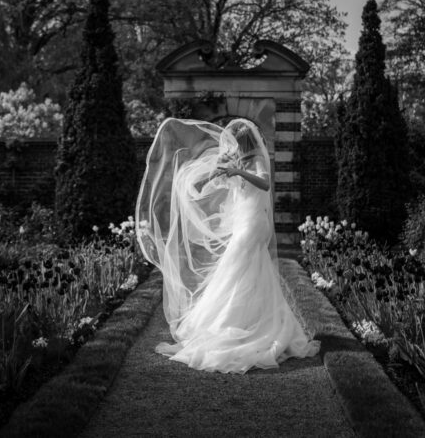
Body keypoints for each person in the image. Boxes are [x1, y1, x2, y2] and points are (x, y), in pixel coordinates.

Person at [135, 117, 320, 374]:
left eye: (235, 143)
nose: (230, 147)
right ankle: (246, 320)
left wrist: (239, 172)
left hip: (254, 223)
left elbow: (265, 184)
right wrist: (216, 174)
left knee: (238, 266)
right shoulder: (237, 161)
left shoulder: (256, 160)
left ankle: (242, 324)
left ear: (243, 143)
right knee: (248, 271)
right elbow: (205, 187)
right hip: (244, 222)